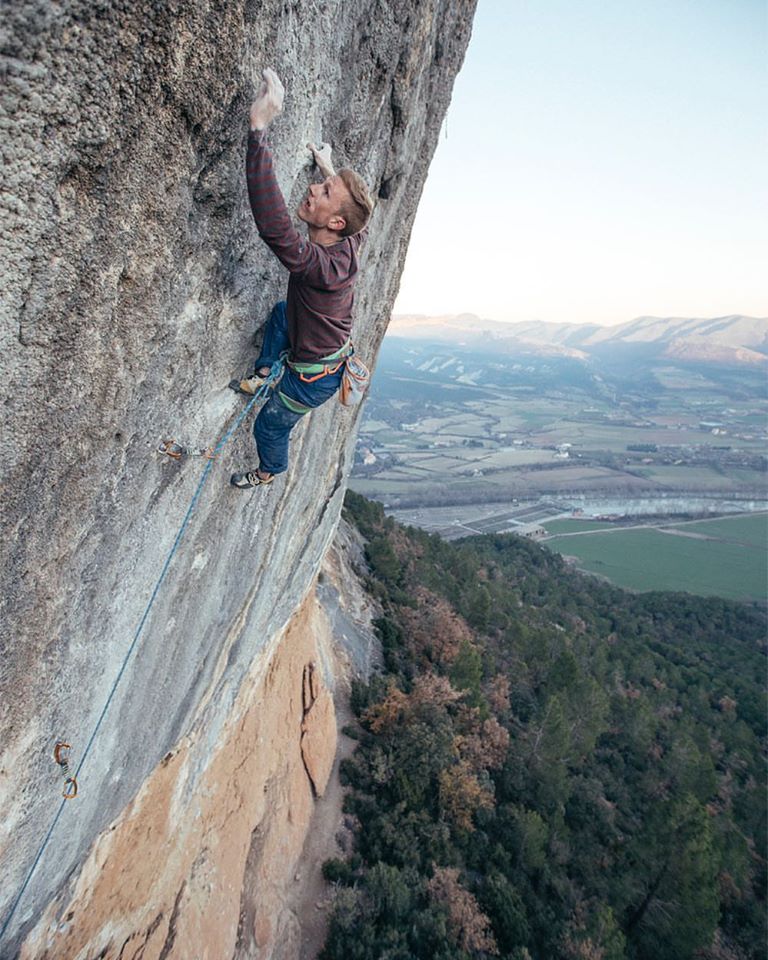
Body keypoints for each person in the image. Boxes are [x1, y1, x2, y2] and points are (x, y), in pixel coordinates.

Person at [230, 68, 374, 490]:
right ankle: (261, 371)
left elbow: (276, 230)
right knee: (280, 315)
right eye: (322, 184)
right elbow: (360, 223)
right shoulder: (347, 241)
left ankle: (268, 471)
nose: (312, 189)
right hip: (317, 345)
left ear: (333, 221)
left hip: (312, 378)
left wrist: (259, 128)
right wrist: (329, 167)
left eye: (324, 192)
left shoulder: (322, 266)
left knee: (269, 427)